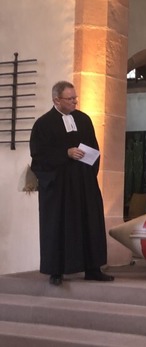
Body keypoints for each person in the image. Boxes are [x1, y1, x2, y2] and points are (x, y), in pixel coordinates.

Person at [29, 81, 114, 286]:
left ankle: (93, 268)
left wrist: (89, 170)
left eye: (75, 97)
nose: (75, 101)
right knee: (57, 226)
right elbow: (38, 156)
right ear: (57, 100)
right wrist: (65, 154)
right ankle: (55, 271)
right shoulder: (43, 124)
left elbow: (94, 148)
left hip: (84, 183)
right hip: (59, 187)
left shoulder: (83, 119)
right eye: (70, 98)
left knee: (90, 222)